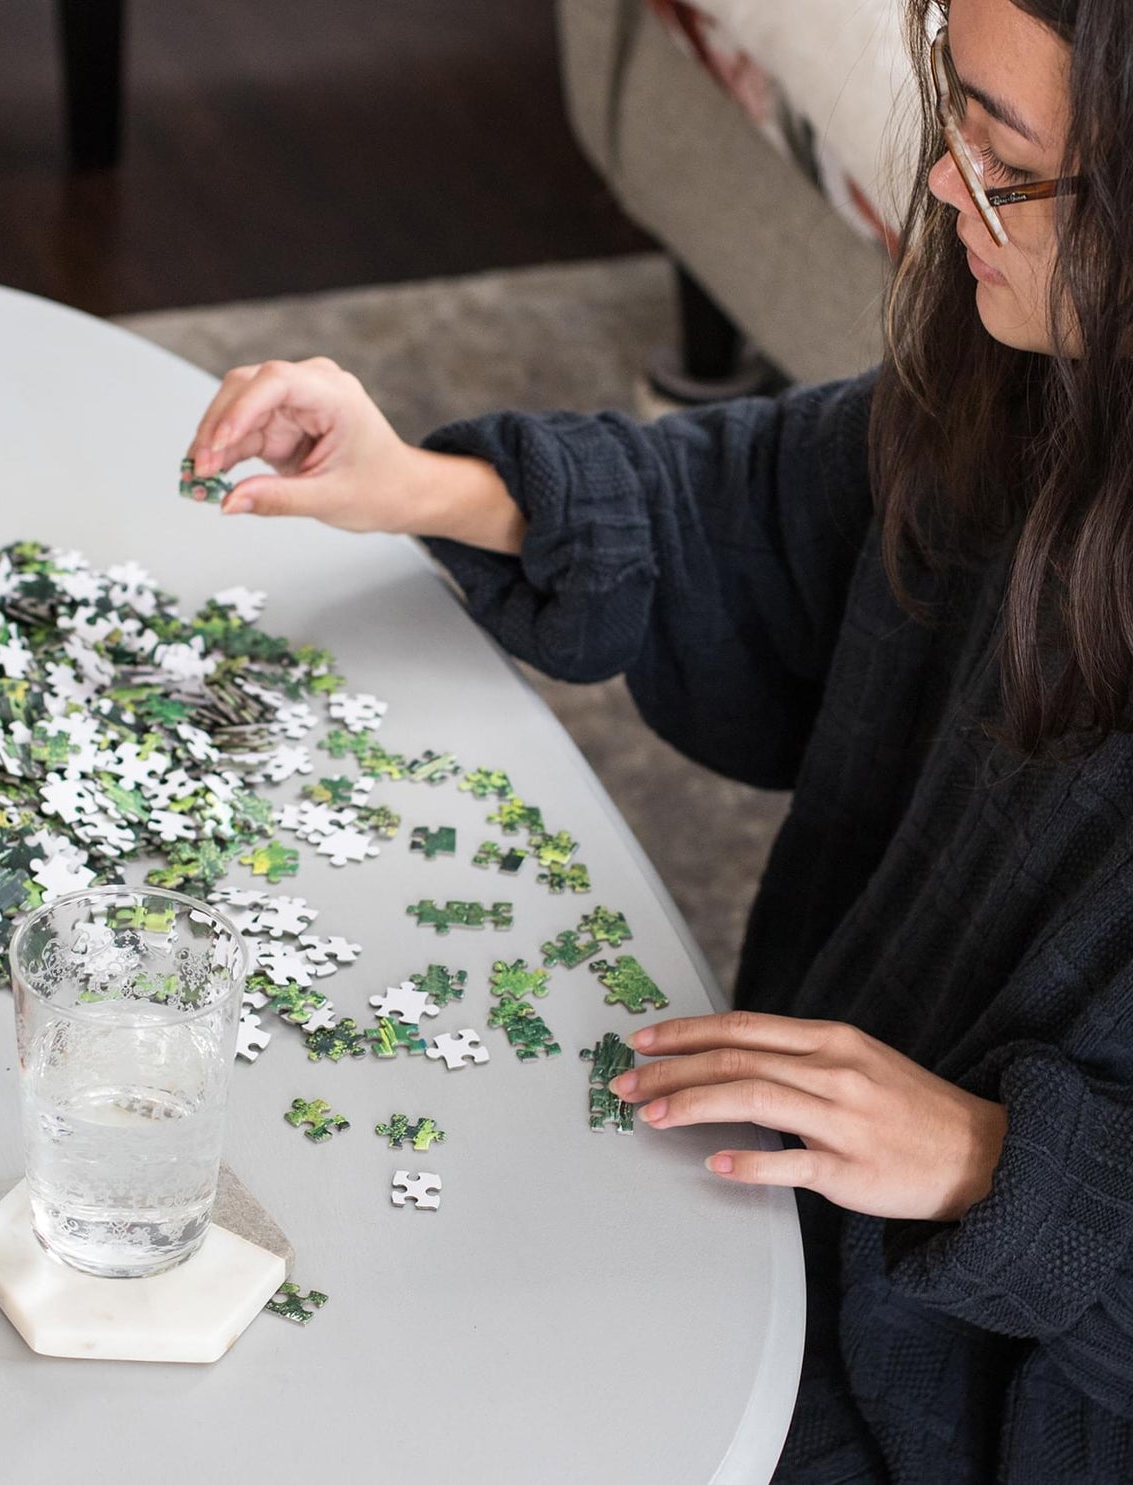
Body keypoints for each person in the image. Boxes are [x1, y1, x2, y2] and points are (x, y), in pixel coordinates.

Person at [184, 1, 1130, 1479]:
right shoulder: (1045, 386)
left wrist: (994, 1166)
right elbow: (785, 504)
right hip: (784, 1184)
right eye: (953, 114)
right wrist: (430, 485)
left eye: (1001, 162)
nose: (944, 184)